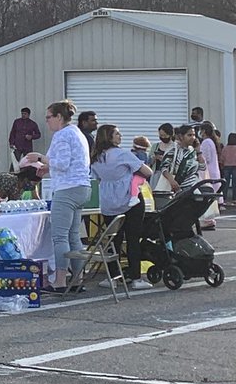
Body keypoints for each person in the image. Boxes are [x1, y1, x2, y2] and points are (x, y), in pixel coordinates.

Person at [33, 100, 92, 292]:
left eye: (49, 117)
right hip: (82, 187)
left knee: (59, 237)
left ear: (59, 117)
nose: (47, 121)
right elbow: (67, 163)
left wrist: (40, 158)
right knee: (74, 235)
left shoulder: (62, 135)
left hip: (67, 189)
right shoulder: (77, 133)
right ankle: (77, 278)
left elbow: (63, 163)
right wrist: (47, 167)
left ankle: (59, 280)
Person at [89, 124, 154, 289]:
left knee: (113, 240)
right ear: (109, 137)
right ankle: (135, 278)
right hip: (129, 199)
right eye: (117, 134)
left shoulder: (95, 158)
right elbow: (147, 172)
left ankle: (112, 278)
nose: (120, 136)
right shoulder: (123, 154)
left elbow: (95, 178)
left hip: (109, 200)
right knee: (133, 239)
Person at [160, 125, 202, 194]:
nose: (193, 138)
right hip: (177, 189)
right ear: (181, 136)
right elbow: (164, 167)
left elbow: (202, 167)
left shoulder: (192, 151)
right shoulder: (174, 150)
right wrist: (172, 181)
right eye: (189, 135)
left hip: (192, 188)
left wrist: (198, 152)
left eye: (194, 135)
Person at [198, 121, 223, 219]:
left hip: (209, 171)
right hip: (213, 170)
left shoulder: (206, 142)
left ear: (203, 131)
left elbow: (206, 158)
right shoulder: (211, 141)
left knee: (209, 191)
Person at [222, 134, 236, 204]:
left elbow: (222, 157)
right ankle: (234, 198)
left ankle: (224, 197)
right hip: (235, 166)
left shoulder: (225, 148)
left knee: (225, 183)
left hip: (226, 166)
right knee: (234, 183)